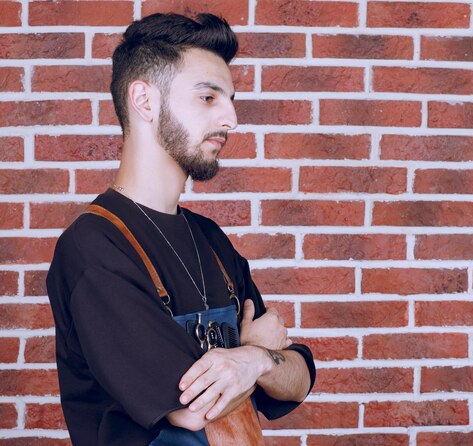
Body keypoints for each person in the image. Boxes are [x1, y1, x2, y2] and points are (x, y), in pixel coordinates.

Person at [46, 12, 315, 445]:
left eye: (230, 99)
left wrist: (256, 360)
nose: (231, 120)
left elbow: (298, 381)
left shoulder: (210, 239)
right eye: (209, 98)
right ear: (145, 101)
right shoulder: (95, 248)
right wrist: (260, 358)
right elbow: (192, 411)